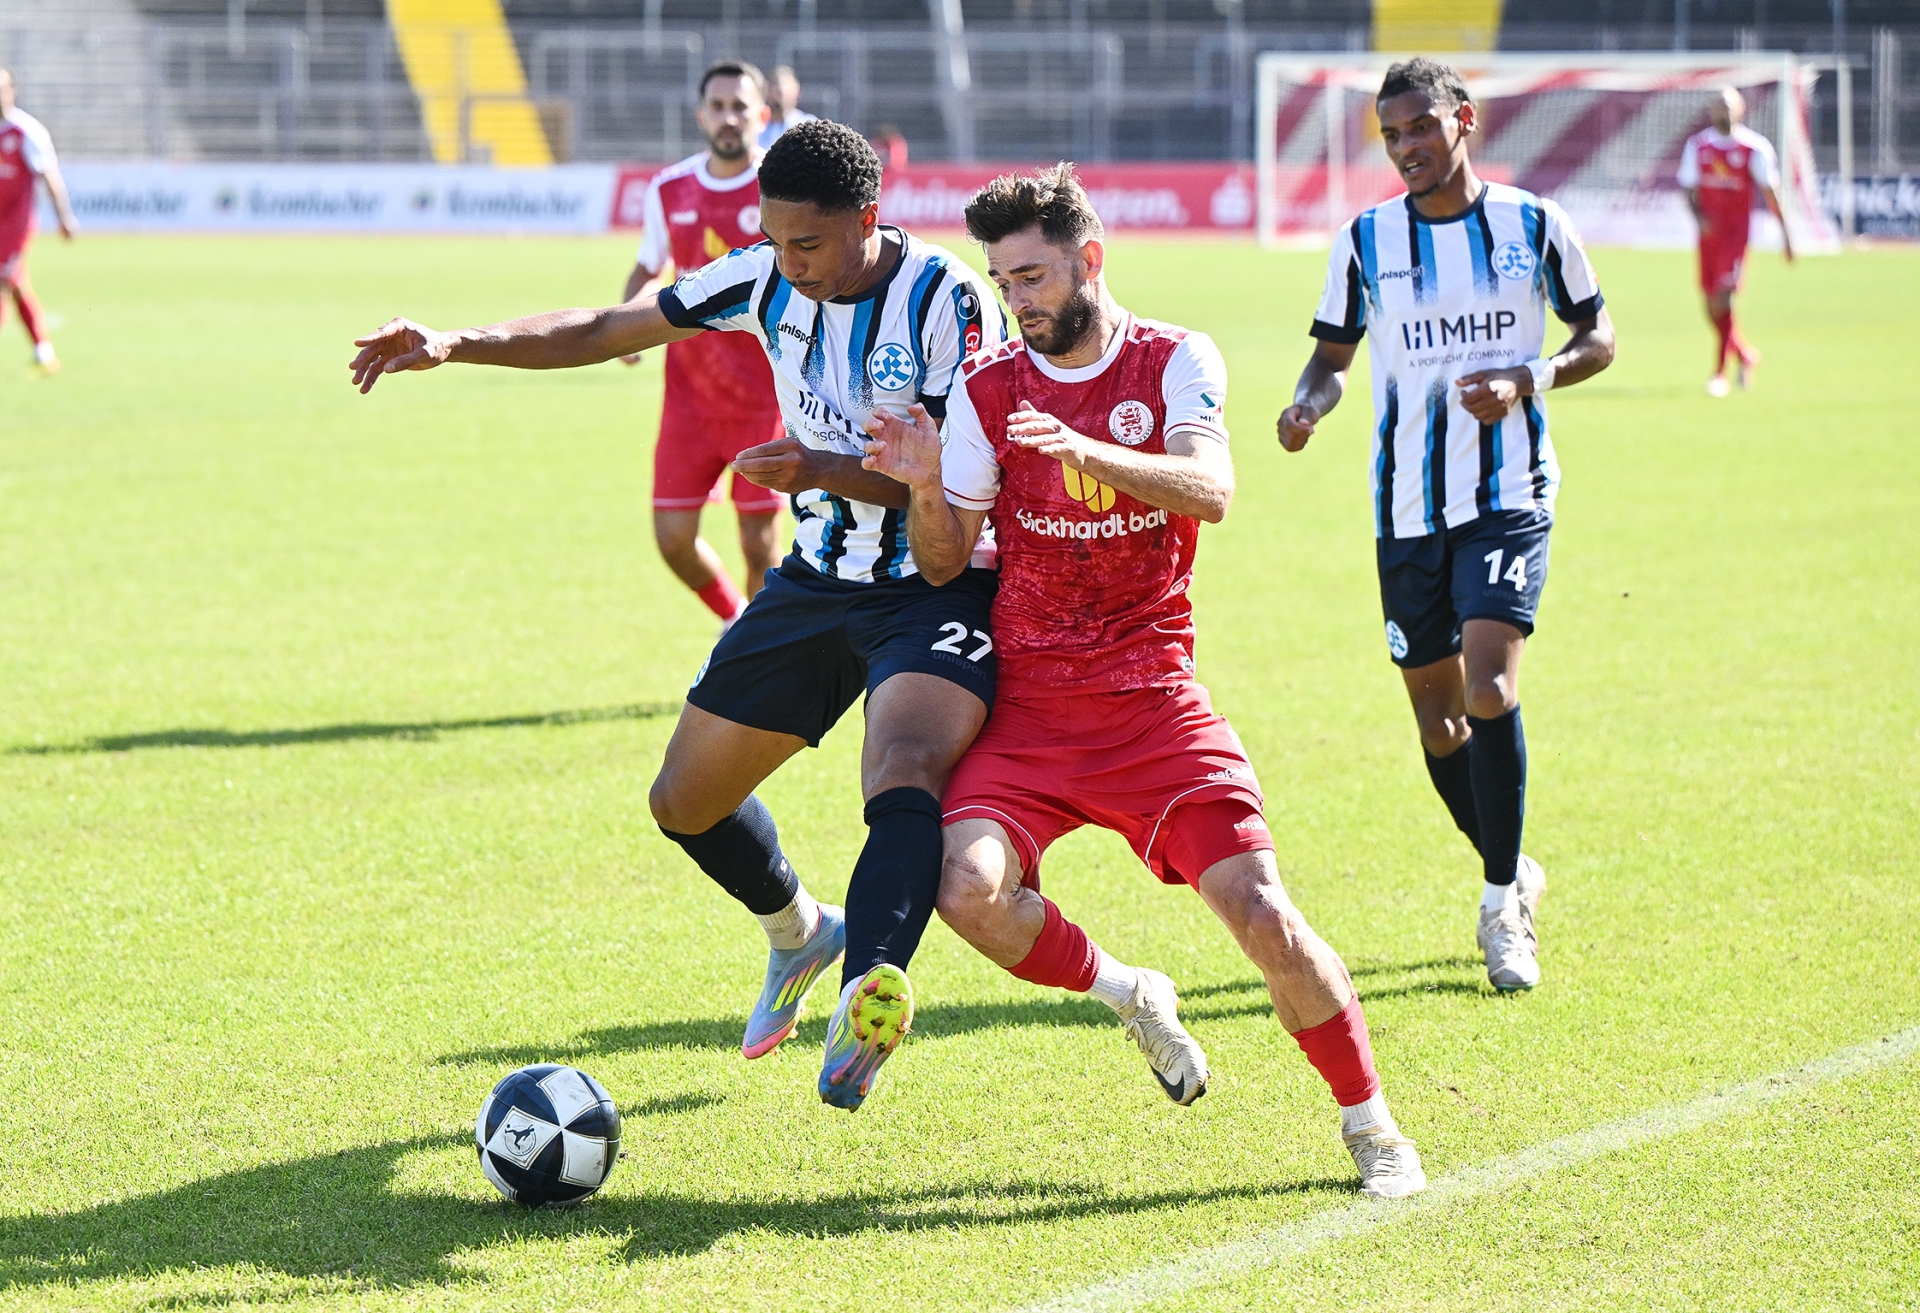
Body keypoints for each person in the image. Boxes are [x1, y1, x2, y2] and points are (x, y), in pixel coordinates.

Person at [349, 120, 1005, 1111]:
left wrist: (825, 467)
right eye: (774, 241)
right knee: (683, 802)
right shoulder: (764, 278)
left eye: (808, 243)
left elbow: (963, 483)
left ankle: (869, 990)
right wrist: (457, 342)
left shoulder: (948, 300)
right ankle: (800, 932)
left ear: (868, 217)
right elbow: (607, 327)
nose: (788, 263)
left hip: (936, 580)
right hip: (817, 577)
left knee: (902, 764)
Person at [860, 163, 1427, 1200]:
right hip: (1031, 708)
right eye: (1003, 281)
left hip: (1153, 700)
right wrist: (924, 485)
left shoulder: (1173, 358)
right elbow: (944, 565)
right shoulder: (988, 388)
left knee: (1263, 912)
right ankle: (1128, 991)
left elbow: (1211, 488)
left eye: (1033, 276)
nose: (1018, 300)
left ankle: (1371, 1121)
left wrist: (1085, 448)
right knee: (965, 889)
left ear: (1090, 258)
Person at [1275, 58, 1616, 993]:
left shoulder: (1533, 225)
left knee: (1489, 687)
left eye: (1421, 126)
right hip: (1405, 508)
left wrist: (1527, 379)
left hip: (1507, 494)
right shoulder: (1365, 240)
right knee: (1439, 722)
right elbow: (1331, 359)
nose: (1406, 147)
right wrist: (1307, 406)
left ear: (1464, 120)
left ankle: (1501, 906)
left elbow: (1598, 336)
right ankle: (1512, 865)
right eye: (1391, 135)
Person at [620, 61, 784, 629]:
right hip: (688, 398)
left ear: (762, 115)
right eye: (718, 106)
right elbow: (650, 265)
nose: (728, 117)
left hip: (764, 397)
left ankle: (761, 655)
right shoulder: (671, 188)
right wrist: (629, 323)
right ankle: (737, 622)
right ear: (700, 115)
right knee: (672, 539)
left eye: (740, 107)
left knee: (760, 546)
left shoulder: (779, 186)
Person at [1678, 86, 1793, 397]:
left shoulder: (1754, 148)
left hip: (1735, 239)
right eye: (1719, 106)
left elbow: (1771, 193)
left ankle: (1719, 374)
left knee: (1725, 299)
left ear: (1741, 110)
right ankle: (1744, 355)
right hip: (1708, 239)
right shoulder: (1698, 146)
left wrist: (1787, 236)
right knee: (1710, 307)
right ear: (1711, 111)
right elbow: (1688, 189)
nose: (1724, 112)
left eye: (1729, 106)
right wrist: (1698, 217)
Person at [0, 68, 77, 374]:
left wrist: (64, 217)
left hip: (15, 224)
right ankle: (43, 350)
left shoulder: (27, 131)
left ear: (12, 91)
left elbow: (49, 174)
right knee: (15, 282)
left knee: (3, 280)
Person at [758, 66, 817, 150]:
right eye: (775, 85)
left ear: (797, 91)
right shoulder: (756, 127)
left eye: (786, 85)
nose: (780, 90)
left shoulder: (809, 126)